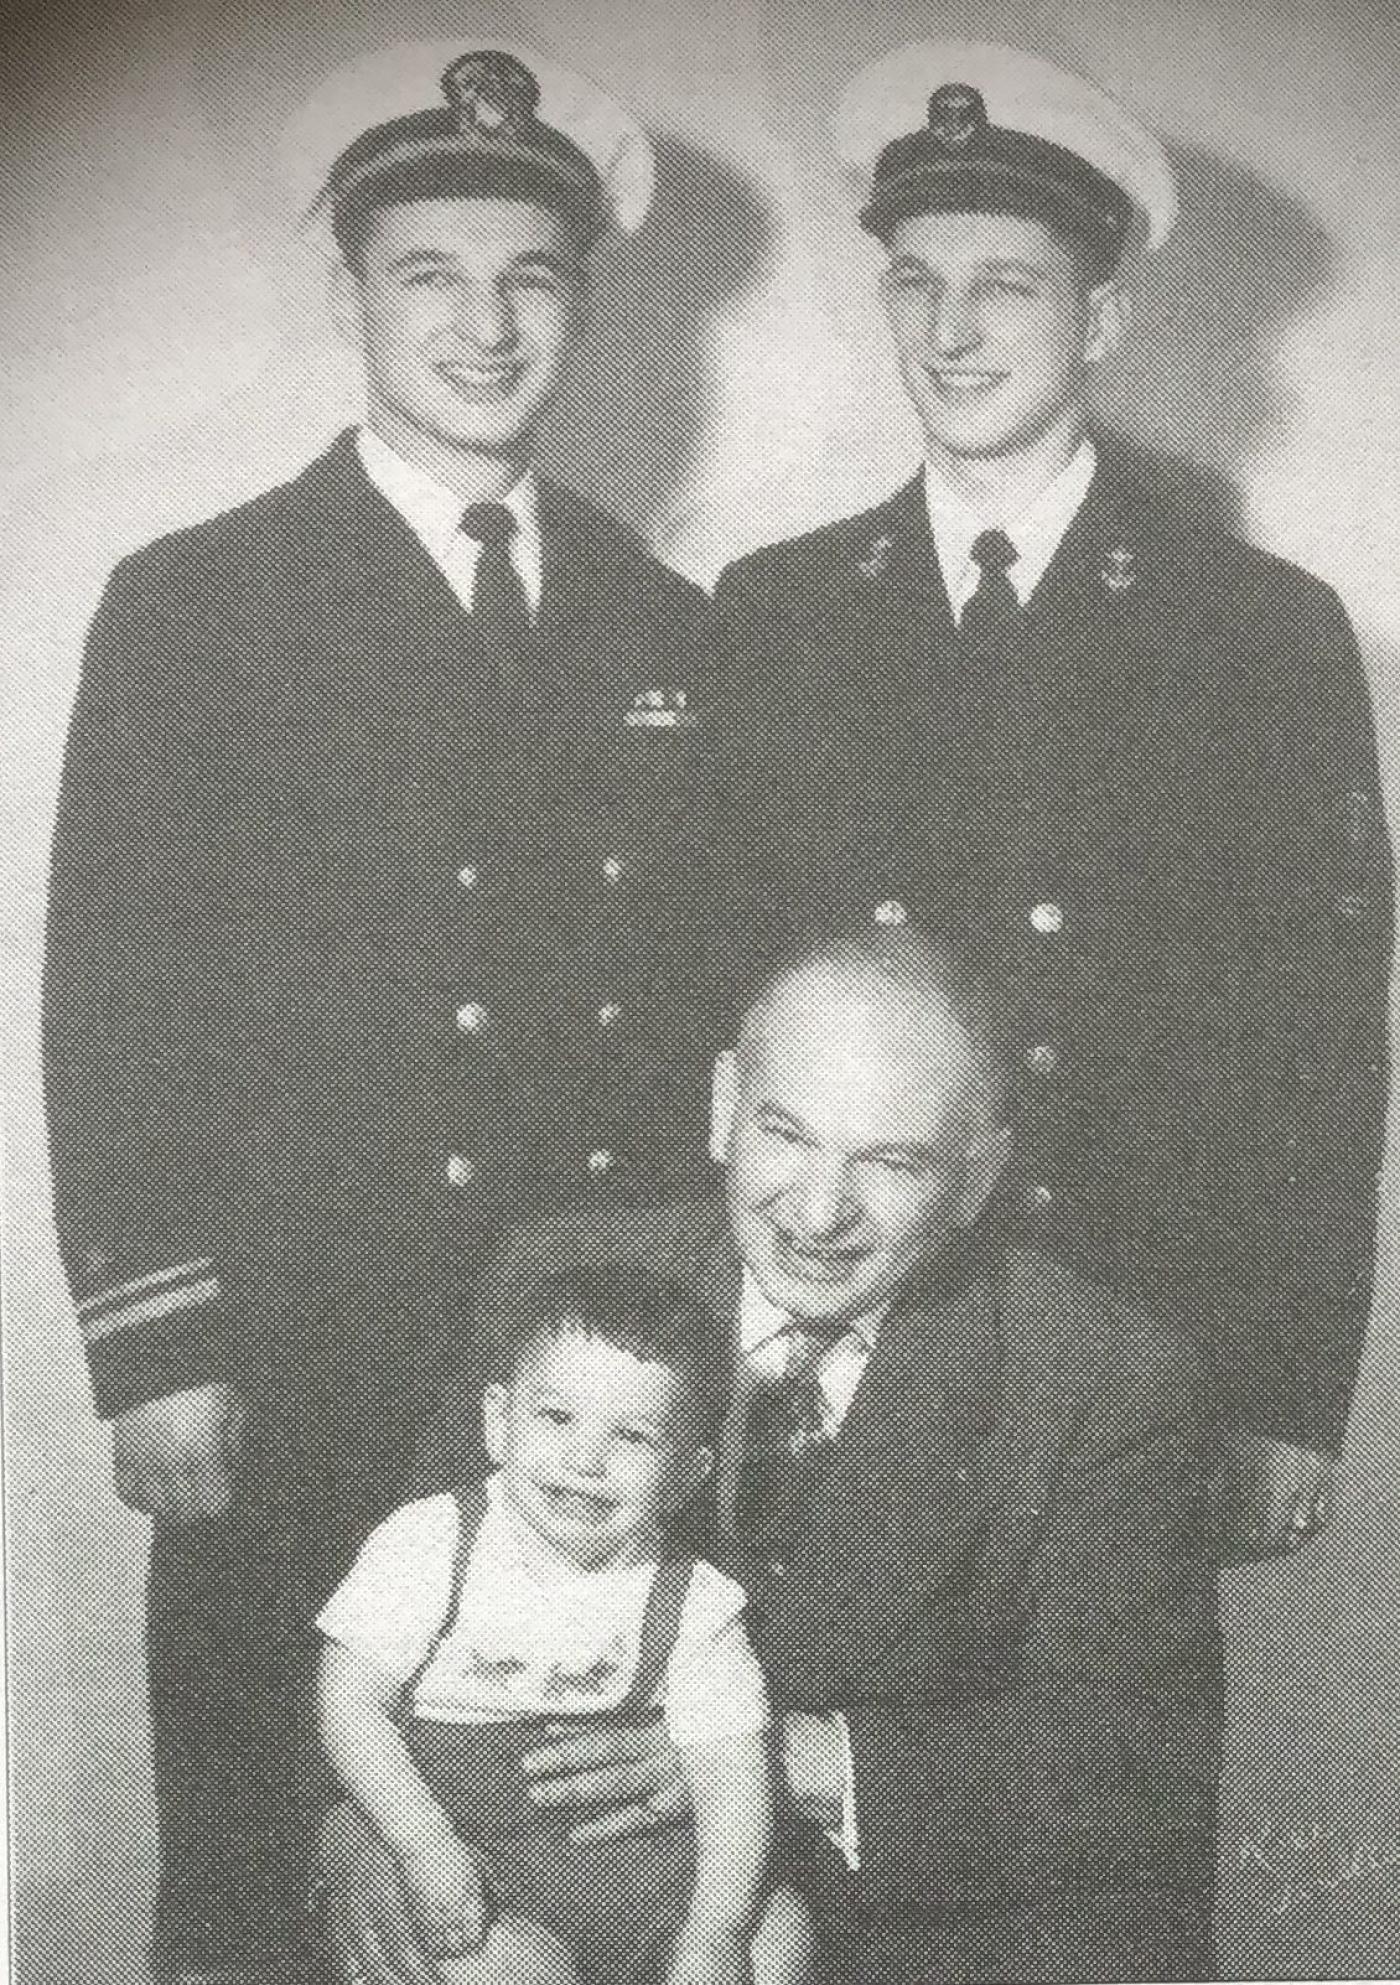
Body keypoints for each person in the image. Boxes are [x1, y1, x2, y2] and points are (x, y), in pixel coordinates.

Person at [42, 45, 717, 1983]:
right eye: (431, 272)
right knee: (266, 1856)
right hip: (305, 1349)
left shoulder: (659, 619)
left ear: (580, 301)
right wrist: (156, 1340)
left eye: (530, 276)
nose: (484, 322)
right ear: (349, 297)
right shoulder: (199, 600)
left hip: (578, 1366)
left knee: (550, 1866)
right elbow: (118, 982)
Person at [707, 40, 1394, 1560]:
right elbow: (717, 993)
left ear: (1104, 317)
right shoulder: (775, 616)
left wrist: (1287, 1388)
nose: (951, 331)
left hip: (1132, 1329)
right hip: (834, 1324)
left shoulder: (1258, 630)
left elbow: (1320, 1042)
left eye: (1006, 285)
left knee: (1090, 1775)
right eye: (915, 282)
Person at [325, 918, 1226, 1985]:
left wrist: (771, 1757)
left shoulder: (1103, 1378)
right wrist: (352, 1833)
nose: (815, 1210)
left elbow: (1133, 1765)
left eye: (888, 1162)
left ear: (978, 1179)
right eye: (784, 1134)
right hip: (527, 1899)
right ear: (722, 1108)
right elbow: (400, 1605)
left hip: (911, 1935)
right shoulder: (558, 1278)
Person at [317, 1262, 811, 1985]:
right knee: (505, 1970)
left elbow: (731, 1769)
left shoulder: (698, 1600)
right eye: (556, 1417)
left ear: (687, 1475)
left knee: (779, 1933)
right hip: (475, 1856)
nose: (586, 1460)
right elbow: (348, 1702)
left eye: (634, 1437)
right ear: (497, 1420)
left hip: (640, 1871)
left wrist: (716, 1930)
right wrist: (423, 1844)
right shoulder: (431, 1540)